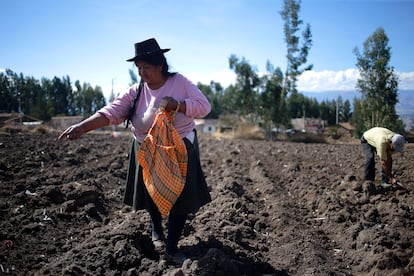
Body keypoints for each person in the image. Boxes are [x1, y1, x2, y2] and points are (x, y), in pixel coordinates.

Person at [58, 38, 212, 265]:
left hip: (178, 146)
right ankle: (156, 231)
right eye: (138, 68)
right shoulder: (137, 90)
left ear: (160, 65)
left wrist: (177, 105)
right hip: (145, 147)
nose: (141, 73)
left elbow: (204, 106)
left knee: (179, 196)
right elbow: (112, 111)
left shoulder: (179, 82)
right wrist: (83, 127)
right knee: (150, 192)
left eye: (146, 67)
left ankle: (171, 248)